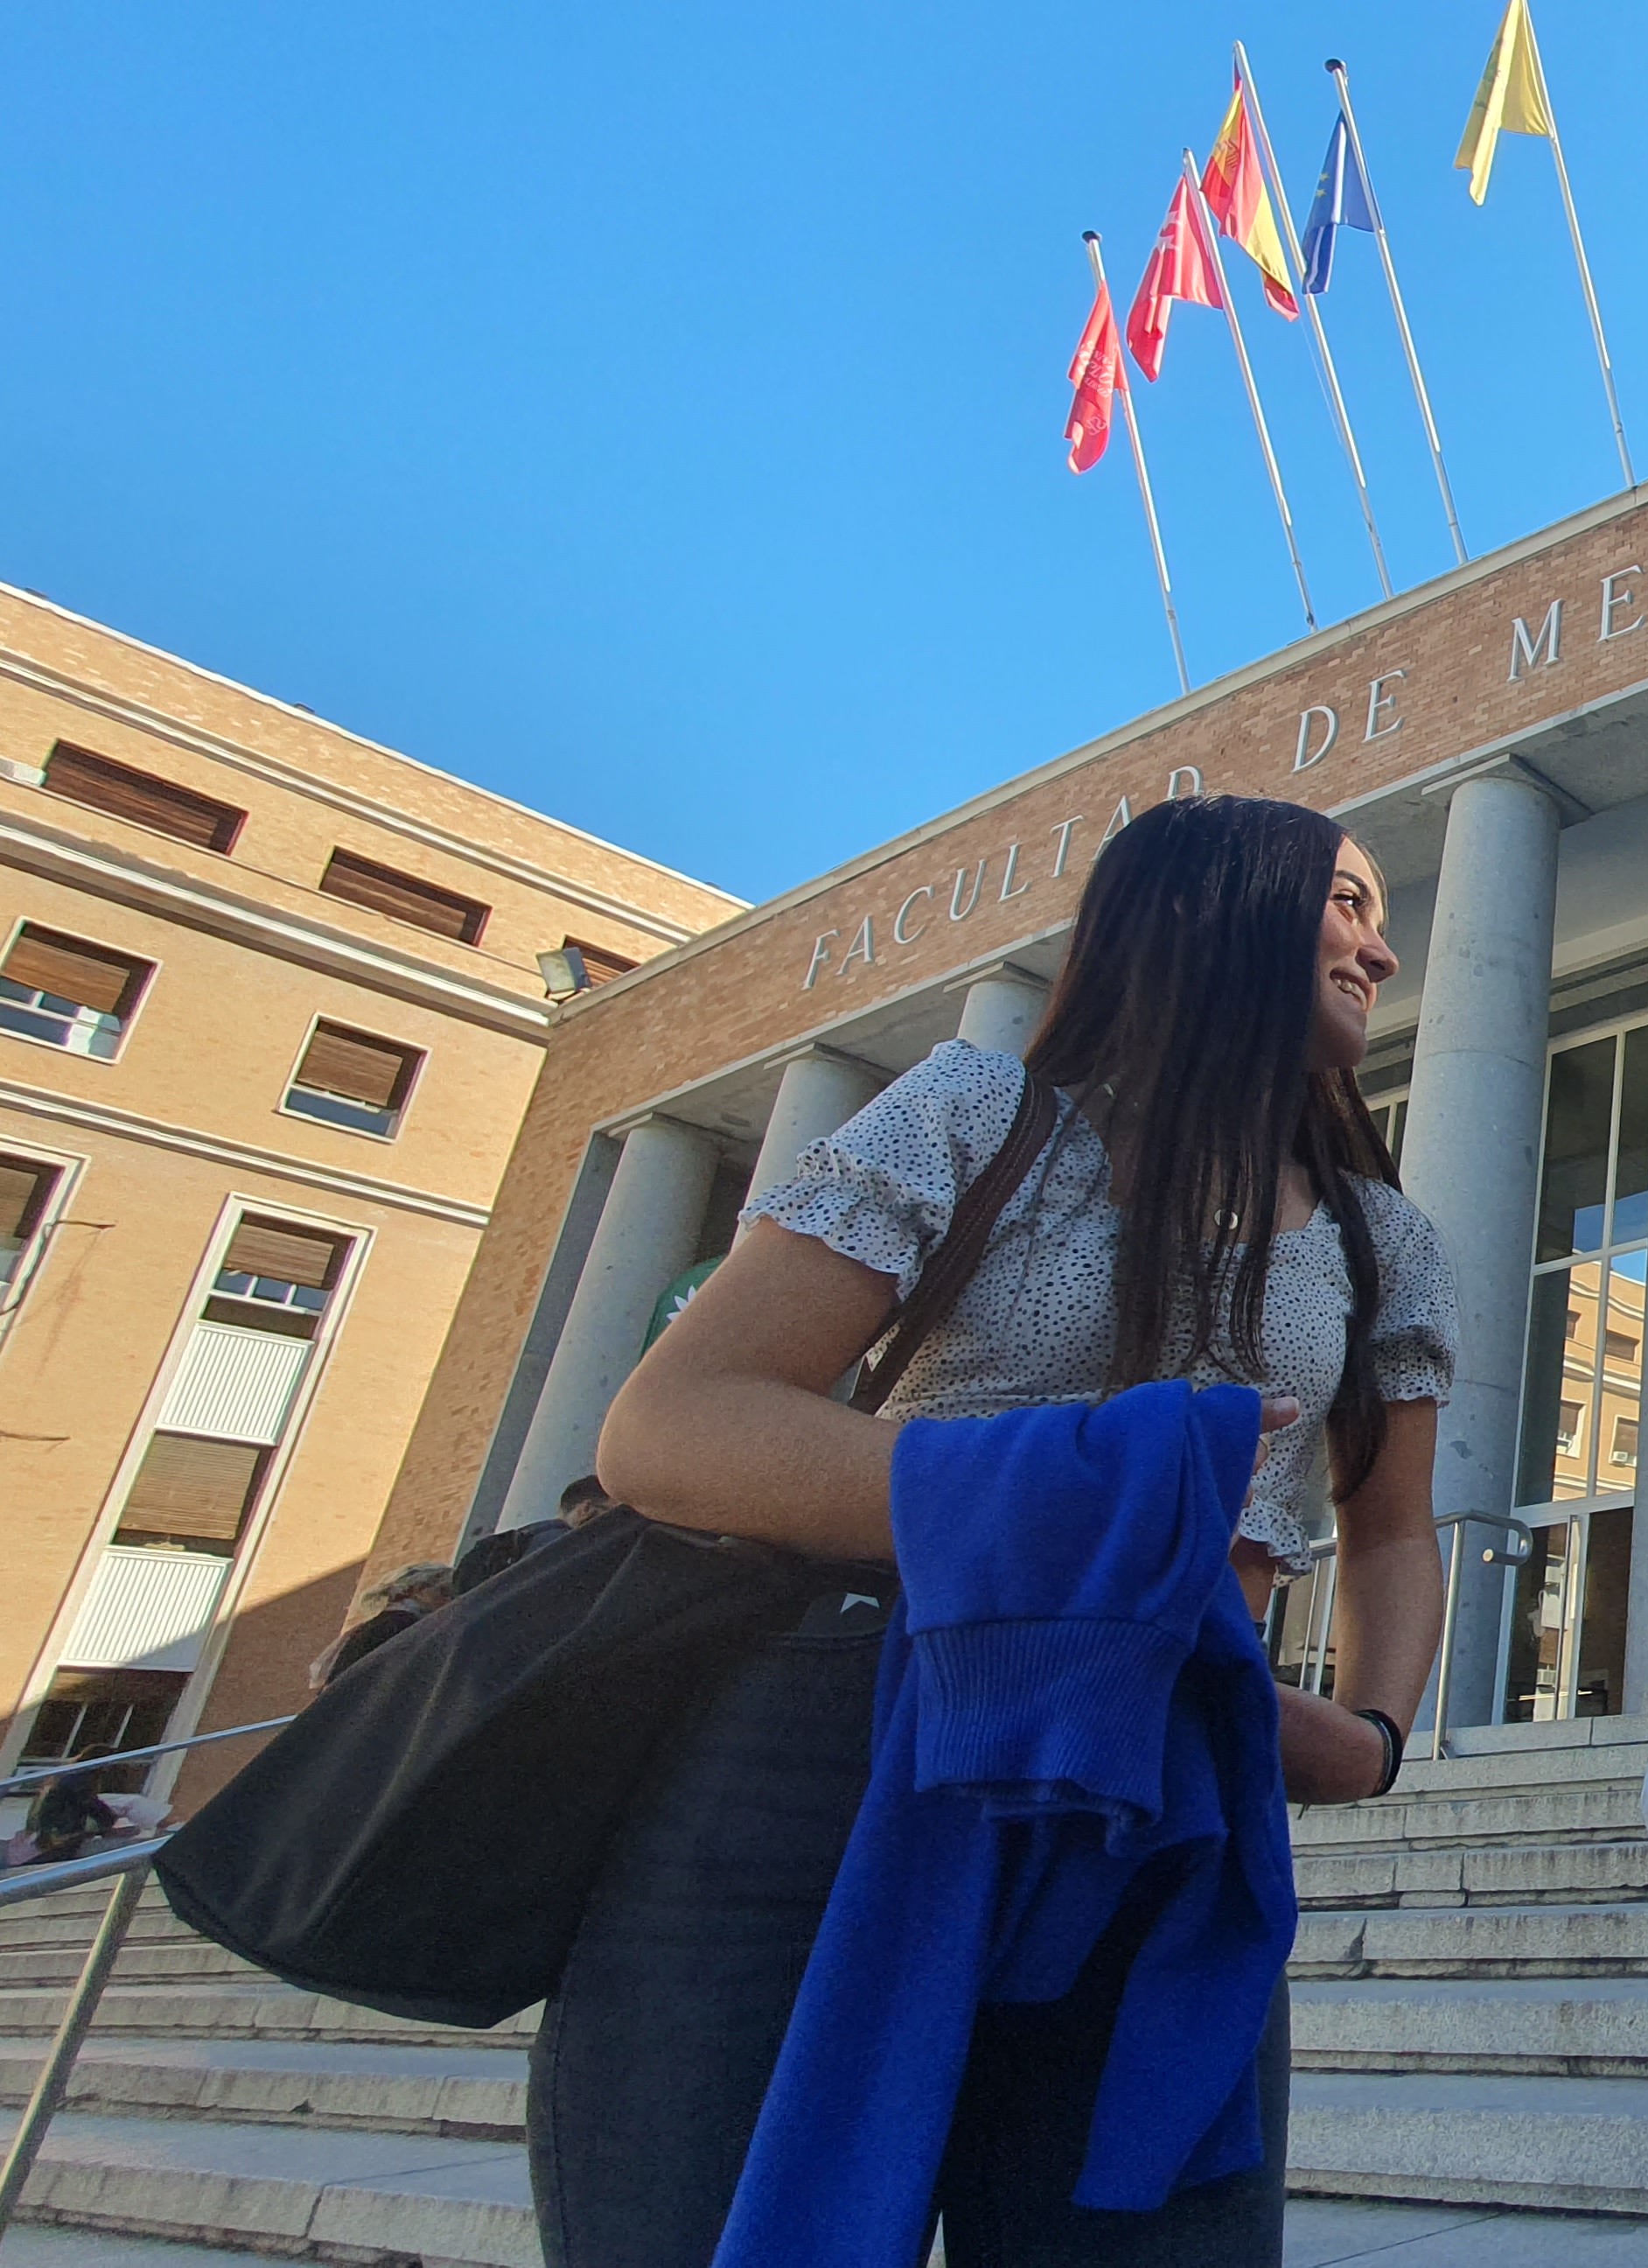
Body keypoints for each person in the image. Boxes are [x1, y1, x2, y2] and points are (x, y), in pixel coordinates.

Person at [570, 796, 1458, 2268]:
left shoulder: (1386, 1238)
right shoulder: (974, 1111)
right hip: (832, 1748)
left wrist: (1369, 1727)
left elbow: (1389, 1534)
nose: (1378, 944)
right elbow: (674, 1426)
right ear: (1209, 903)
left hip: (1163, 1792)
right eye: (1345, 901)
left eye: (1380, 913)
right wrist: (1102, 1511)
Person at [451, 1474, 622, 1598]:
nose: (624, 1524)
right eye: (619, 1513)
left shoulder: (527, 1542)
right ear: (586, 1510)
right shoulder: (567, 1553)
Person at [311, 1563, 454, 1690]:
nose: (448, 1601)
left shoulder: (379, 1624)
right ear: (414, 1590)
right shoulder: (401, 1623)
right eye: (443, 1591)